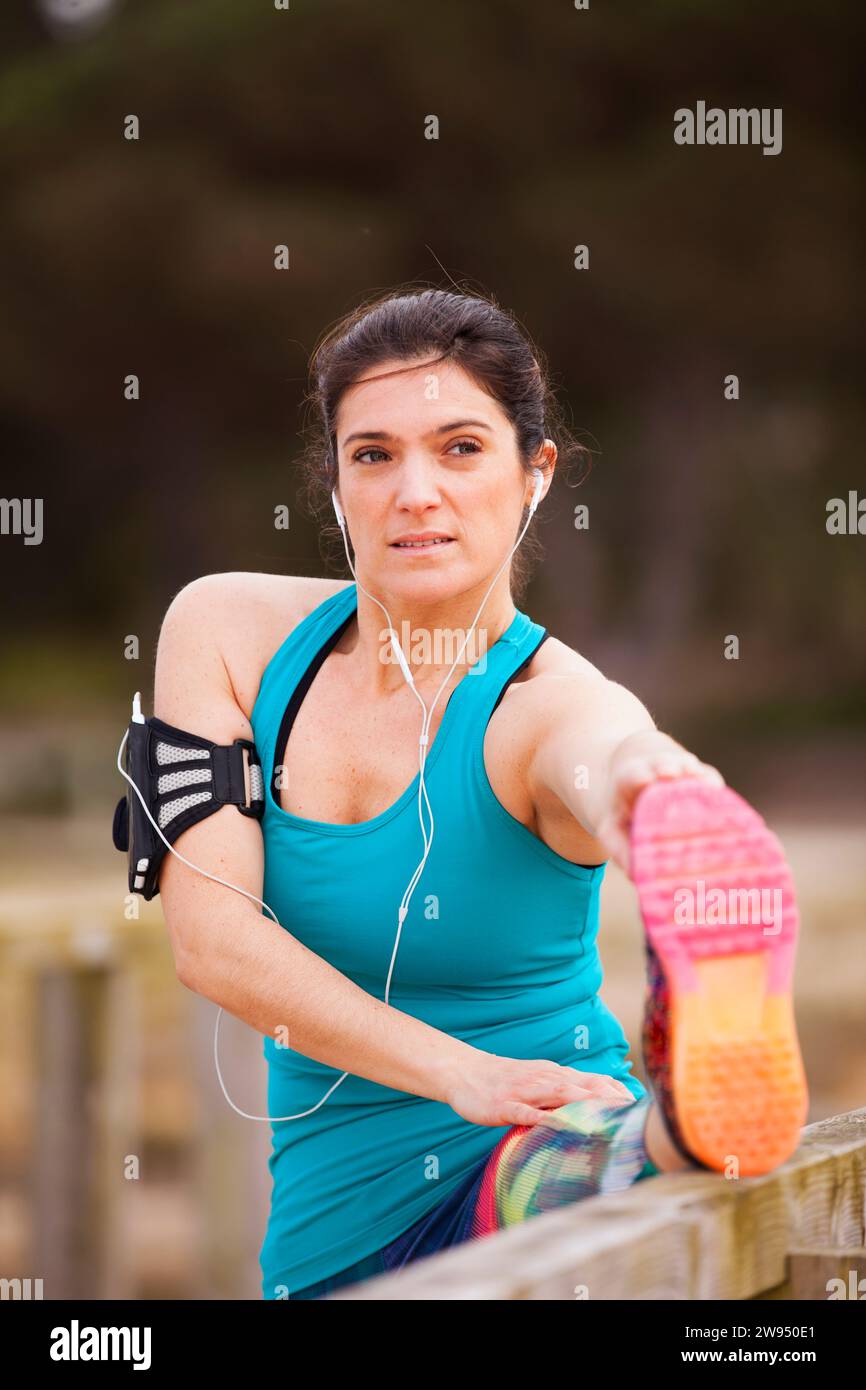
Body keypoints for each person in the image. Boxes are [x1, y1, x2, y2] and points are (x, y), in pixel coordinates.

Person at [154, 286, 807, 1301]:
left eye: (459, 447)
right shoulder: (226, 635)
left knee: (583, 1163)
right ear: (333, 482)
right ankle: (668, 1130)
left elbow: (597, 746)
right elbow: (212, 940)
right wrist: (463, 1073)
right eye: (372, 454)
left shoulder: (548, 706)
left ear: (534, 474)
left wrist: (642, 792)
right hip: (335, 1235)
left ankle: (684, 1119)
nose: (414, 490)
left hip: (537, 1148)